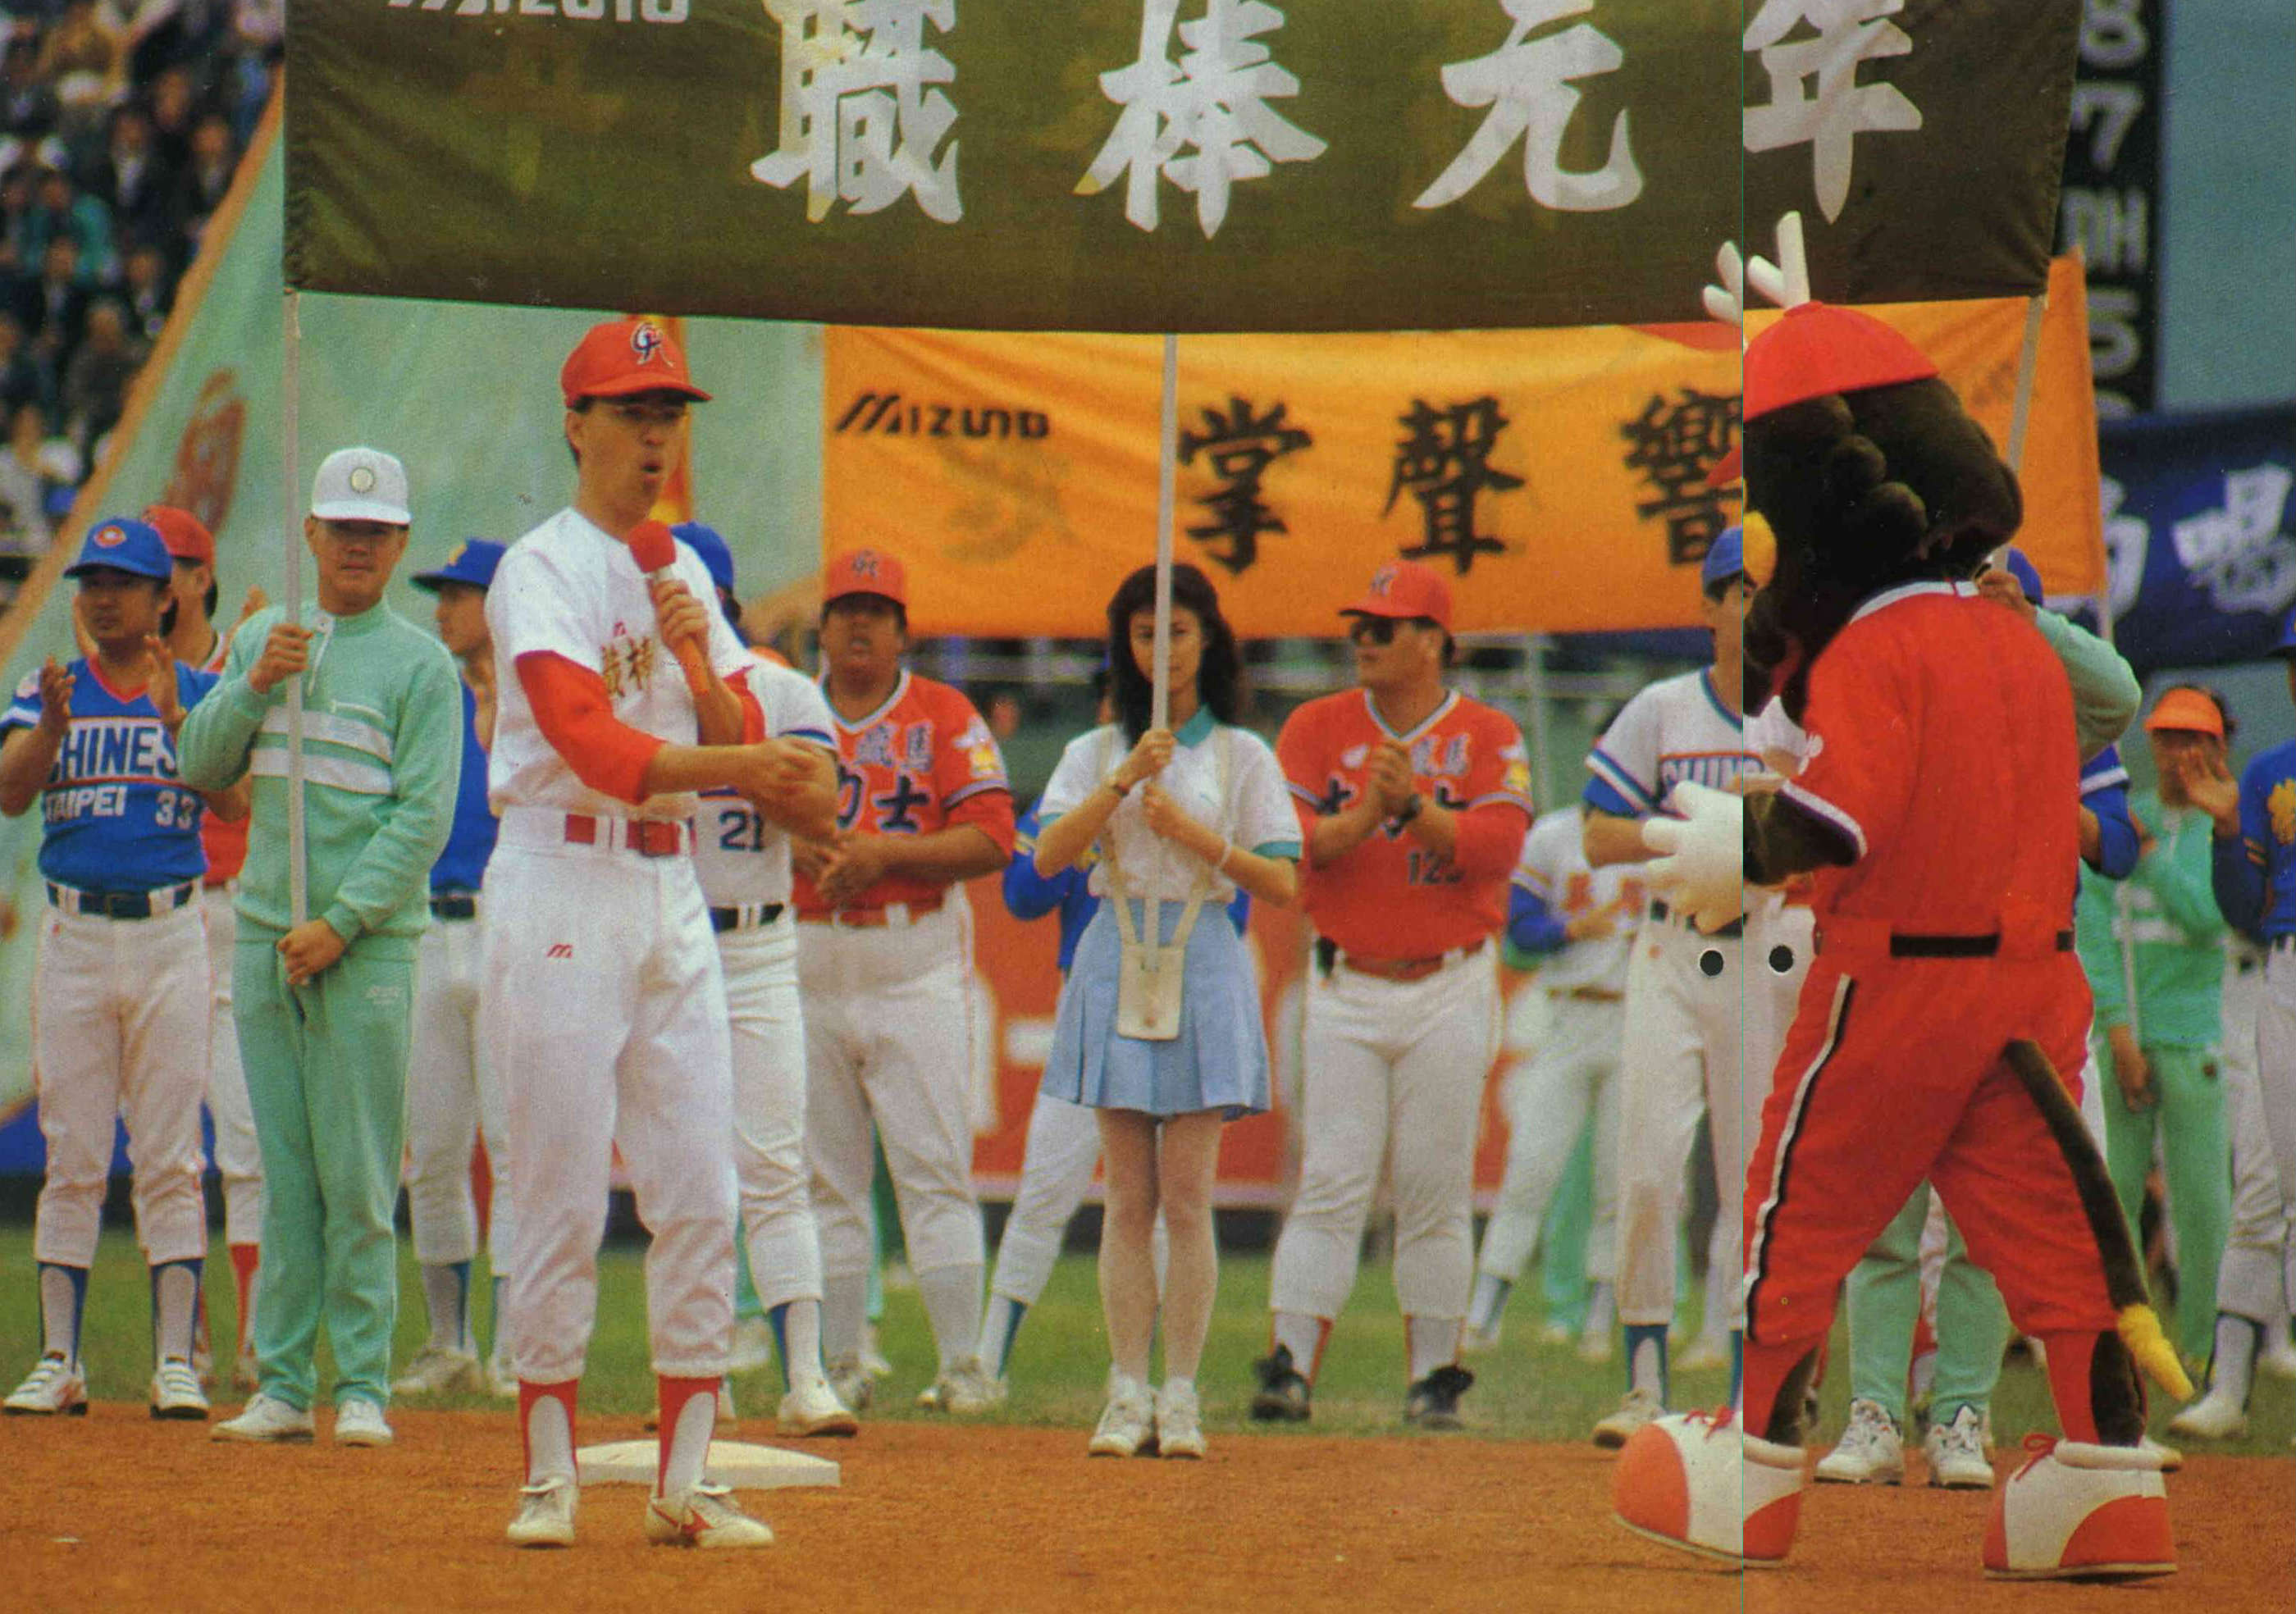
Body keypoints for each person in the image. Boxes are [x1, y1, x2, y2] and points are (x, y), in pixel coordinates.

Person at [477, 317, 806, 1549]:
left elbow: (732, 718)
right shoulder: (542, 567)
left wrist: (697, 658)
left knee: (702, 1189)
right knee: (558, 1184)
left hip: (671, 885)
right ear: (577, 426)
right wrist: (742, 765)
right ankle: (547, 1475)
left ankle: (686, 1479)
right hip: (561, 874)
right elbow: (586, 741)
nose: (656, 434)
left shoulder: (678, 569)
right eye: (632, 411)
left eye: (668, 411)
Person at [1819, 548, 2143, 1491]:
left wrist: (2036, 626)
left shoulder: (2067, 720)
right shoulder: (1917, 705)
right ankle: (1874, 1412)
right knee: (1885, 1209)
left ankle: (1961, 1414)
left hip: (2018, 986)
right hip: (1909, 979)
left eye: (2008, 611)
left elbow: (2120, 706)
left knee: (1978, 1227)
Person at [179, 449, 460, 1452]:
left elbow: (422, 819)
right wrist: (254, 682)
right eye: (342, 528)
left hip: (364, 947)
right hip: (265, 935)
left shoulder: (424, 667)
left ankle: (364, 1385)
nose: (356, 546)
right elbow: (200, 763)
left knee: (359, 1170)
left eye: (375, 532)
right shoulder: (269, 638)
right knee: (284, 1170)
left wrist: (340, 923)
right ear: (310, 533)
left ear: (400, 543)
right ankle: (286, 1385)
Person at [1257, 558, 1533, 1429]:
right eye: (1359, 626)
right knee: (1331, 1179)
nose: (1363, 640)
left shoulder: (1487, 731)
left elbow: (1498, 849)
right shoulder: (1315, 725)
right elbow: (1286, 842)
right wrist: (1365, 817)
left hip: (1448, 980)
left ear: (1433, 641)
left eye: (1383, 627)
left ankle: (1433, 1375)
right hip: (1346, 979)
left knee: (1432, 1185)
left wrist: (1412, 809)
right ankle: (1289, 1368)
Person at [1035, 563, 1298, 1456]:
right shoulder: (1093, 751)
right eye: (1146, 634)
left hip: (1204, 952)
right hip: (1117, 949)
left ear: (1207, 639)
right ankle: (1125, 1389)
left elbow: (1281, 879)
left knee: (1187, 1197)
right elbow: (1046, 858)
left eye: (1178, 632)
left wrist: (1196, 835)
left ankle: (1180, 1391)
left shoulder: (1241, 754)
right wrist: (1121, 783)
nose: (1163, 650)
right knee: (1126, 1195)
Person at [0, 516, 243, 1419]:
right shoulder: (48, 688)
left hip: (169, 931)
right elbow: (10, 790)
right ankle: (59, 1359)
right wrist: (53, 728)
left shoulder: (198, 687)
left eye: (123, 583)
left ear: (162, 597)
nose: (104, 599)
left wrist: (182, 723)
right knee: (72, 1153)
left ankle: (175, 1361)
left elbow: (234, 801)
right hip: (74, 932)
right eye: (92, 583)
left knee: (171, 1154)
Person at [979, 669, 1252, 1395]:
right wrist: (1100, 827)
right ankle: (988, 1359)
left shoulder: (1206, 786)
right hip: (1096, 1008)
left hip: (1178, 1004)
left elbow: (1236, 910)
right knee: (1046, 1187)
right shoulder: (1083, 779)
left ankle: (1140, 1372)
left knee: (1168, 1202)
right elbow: (1023, 890)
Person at [792, 547, 1016, 1417]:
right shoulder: (787, 708)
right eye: (845, 608)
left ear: (903, 632)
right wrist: (805, 847)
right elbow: (742, 816)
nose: (859, 623)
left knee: (934, 1169)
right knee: (829, 1181)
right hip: (809, 954)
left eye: (876, 612)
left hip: (910, 956)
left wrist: (884, 854)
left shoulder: (942, 713)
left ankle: (963, 1364)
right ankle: (843, 1364)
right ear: (822, 626)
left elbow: (992, 837)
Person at [1577, 528, 1768, 1445]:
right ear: (1708, 605)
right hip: (1673, 949)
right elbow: (1596, 834)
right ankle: (1644, 1378)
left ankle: (1742, 1386)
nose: (1753, 607)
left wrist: (1754, 842)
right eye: (1739, 590)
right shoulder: (1662, 709)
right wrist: (1681, 836)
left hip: (1767, 954)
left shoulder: (1805, 715)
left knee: (1749, 1179)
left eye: (1767, 590)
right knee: (1649, 1166)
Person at [678, 519, 856, 1438]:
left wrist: (729, 739)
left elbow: (821, 808)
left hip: (755, 941)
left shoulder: (781, 688)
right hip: (668, 947)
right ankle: (701, 1376)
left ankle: (806, 1377)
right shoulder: (634, 700)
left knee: (776, 1164)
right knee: (689, 1175)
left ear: (722, 600)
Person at [391, 538, 514, 1399]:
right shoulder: (426, 694)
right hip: (429, 928)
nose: (442, 609)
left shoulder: (540, 693)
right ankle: (449, 1341)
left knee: (515, 1147)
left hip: (511, 927)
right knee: (433, 1150)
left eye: (458, 593)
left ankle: (517, 1345)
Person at [2079, 686, 2234, 1370]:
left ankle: (2203, 1351)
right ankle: (2111, 1347)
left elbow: (2207, 916)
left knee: (2202, 1203)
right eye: (2167, 738)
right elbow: (2093, 928)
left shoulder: (2218, 827)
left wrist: (2151, 862)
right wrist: (2115, 1029)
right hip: (2124, 1041)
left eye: (2192, 739)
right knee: (2111, 1197)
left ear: (2214, 746)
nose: (2178, 753)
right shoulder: (2124, 819)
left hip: (2192, 1038)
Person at [148, 502, 266, 1391]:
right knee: (166, 1139)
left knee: (249, 1136)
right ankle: (180, 1340)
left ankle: (256, 1339)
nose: (150, 588)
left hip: (235, 910)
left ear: (200, 579)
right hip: (159, 914)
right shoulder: (119, 674)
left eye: (166, 571)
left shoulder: (239, 662)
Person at [1463, 802, 1639, 1356]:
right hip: (1567, 1012)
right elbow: (1521, 930)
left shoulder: (1662, 831)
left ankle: (1598, 1320)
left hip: (1638, 1017)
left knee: (1617, 1181)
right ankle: (1484, 1313)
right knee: (1529, 1170)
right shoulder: (1555, 835)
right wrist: (1572, 928)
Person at [2178, 612, 2296, 1439]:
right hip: (2284, 973)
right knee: (2260, 1179)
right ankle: (2227, 1385)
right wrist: (2226, 833)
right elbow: (2244, 911)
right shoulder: (2268, 774)